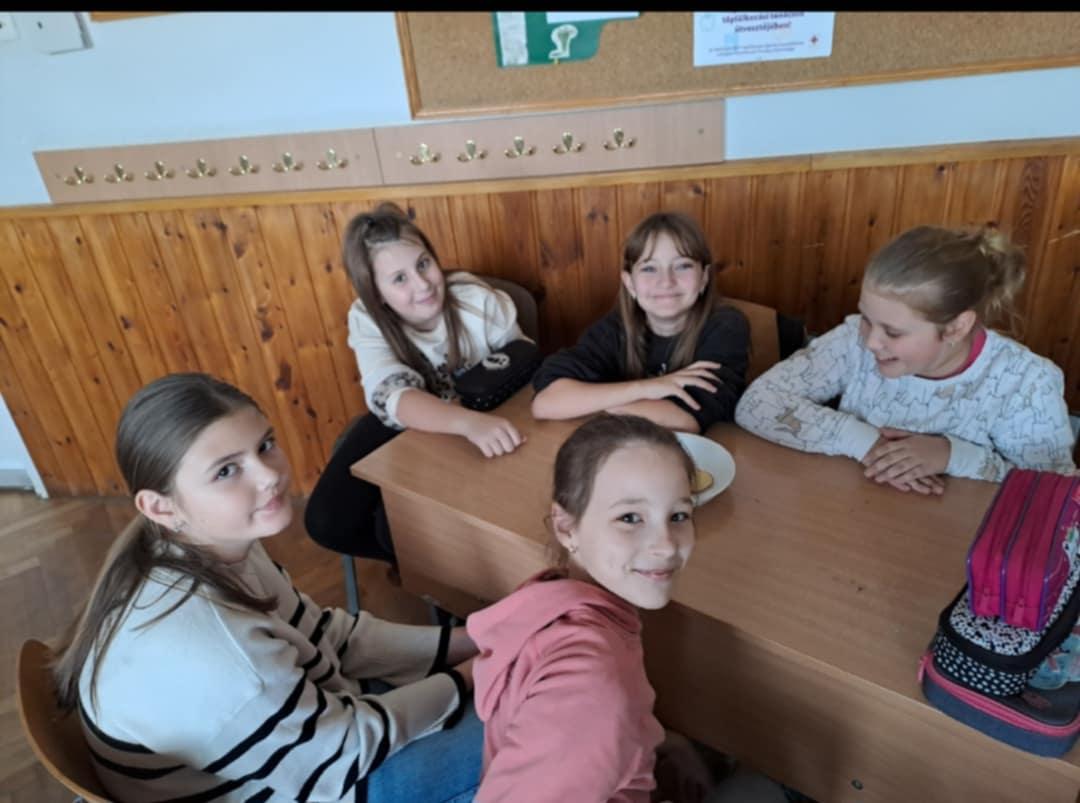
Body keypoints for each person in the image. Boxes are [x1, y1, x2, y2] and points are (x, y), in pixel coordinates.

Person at [51, 373, 482, 802]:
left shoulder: (209, 544)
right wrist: (471, 674)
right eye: (226, 471)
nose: (268, 475)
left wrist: (470, 640)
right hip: (314, 773)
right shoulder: (218, 652)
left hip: (307, 736)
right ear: (161, 507)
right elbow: (343, 754)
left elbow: (327, 636)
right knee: (518, 723)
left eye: (265, 445)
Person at [734, 225, 1076, 492]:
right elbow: (756, 403)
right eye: (866, 317)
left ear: (956, 327)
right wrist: (864, 442)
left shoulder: (1027, 382)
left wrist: (952, 456)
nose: (871, 341)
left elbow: (1056, 493)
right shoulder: (852, 341)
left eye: (893, 332)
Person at [467, 413, 701, 802]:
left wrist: (654, 739)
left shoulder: (554, 595)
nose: (666, 545)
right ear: (566, 527)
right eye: (630, 518)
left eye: (679, 515)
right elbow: (589, 710)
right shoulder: (593, 688)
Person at [304, 201, 529, 563]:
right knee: (328, 521)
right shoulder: (366, 317)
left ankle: (440, 565)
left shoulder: (478, 300)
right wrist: (465, 422)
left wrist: (474, 421)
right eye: (400, 279)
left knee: (406, 524)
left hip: (484, 413)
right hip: (413, 421)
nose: (423, 284)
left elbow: (522, 364)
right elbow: (394, 398)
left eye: (423, 264)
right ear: (376, 293)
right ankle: (420, 564)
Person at [530, 211, 750, 434]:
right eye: (649, 268)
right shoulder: (615, 328)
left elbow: (685, 420)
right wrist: (647, 388)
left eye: (683, 265)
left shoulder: (726, 326)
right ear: (630, 283)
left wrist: (595, 401)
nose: (666, 281)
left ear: (704, 277)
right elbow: (546, 403)